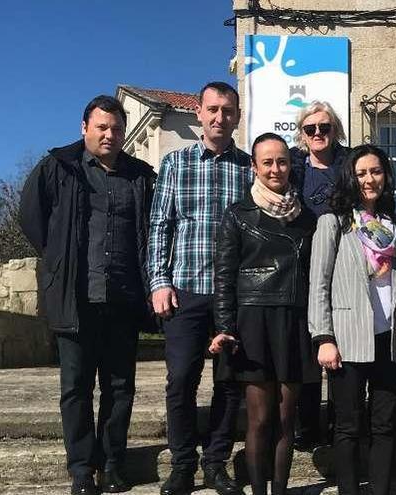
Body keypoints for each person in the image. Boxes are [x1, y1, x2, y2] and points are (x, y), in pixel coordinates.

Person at [19, 95, 155, 495]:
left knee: (119, 388)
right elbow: (32, 216)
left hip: (124, 298)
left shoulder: (141, 176)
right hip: (76, 298)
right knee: (75, 388)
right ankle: (81, 468)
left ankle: (112, 463)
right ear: (84, 128)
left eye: (116, 128)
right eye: (102, 127)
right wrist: (59, 257)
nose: (110, 135)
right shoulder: (59, 168)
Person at [148, 81, 251, 495]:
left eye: (227, 111)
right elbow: (160, 226)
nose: (219, 117)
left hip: (234, 295)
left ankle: (216, 463)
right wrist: (159, 281)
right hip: (185, 290)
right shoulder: (176, 164)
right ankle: (182, 464)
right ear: (199, 114)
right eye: (212, 109)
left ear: (237, 116)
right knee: (181, 380)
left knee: (228, 381)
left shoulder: (249, 168)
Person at [210, 132, 321, 495]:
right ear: (255, 167)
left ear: (291, 165)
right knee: (259, 420)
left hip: (293, 322)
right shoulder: (238, 214)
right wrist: (225, 326)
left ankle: (281, 490)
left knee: (287, 420)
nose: (276, 169)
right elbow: (224, 275)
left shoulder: (307, 217)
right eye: (268, 162)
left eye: (282, 161)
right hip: (253, 323)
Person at [308, 145, 396, 495]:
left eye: (376, 172)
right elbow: (319, 283)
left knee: (384, 424)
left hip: (390, 337)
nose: (370, 179)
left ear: (386, 176)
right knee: (348, 426)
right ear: (351, 179)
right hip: (348, 337)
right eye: (362, 173)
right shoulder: (334, 223)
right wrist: (323, 336)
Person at [288, 101, 351, 449]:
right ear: (302, 133)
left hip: (342, 267)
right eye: (310, 129)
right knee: (308, 352)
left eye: (324, 128)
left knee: (342, 352)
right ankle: (307, 425)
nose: (317, 134)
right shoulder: (295, 167)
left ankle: (342, 424)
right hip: (301, 268)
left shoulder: (349, 165)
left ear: (335, 130)